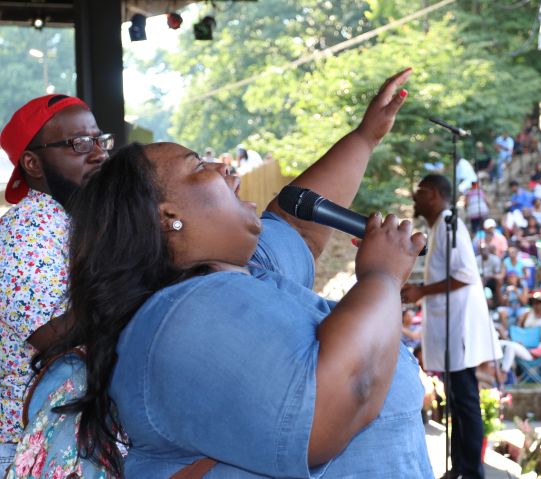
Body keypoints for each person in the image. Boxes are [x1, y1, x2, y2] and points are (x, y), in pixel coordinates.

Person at [36, 69, 435, 477]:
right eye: (198, 166)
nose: (223, 167)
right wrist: (382, 277)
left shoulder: (243, 273)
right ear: (167, 217)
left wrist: (365, 137)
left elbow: (299, 226)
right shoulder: (184, 316)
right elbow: (343, 395)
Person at [0, 94, 111, 465]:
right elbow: (56, 339)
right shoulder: (24, 235)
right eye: (79, 143)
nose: (98, 154)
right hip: (28, 452)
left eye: (100, 140)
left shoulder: (74, 221)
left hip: (68, 440)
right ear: (32, 163)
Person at [402, 173, 502, 479]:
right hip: (451, 327)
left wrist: (421, 292)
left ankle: (471, 471)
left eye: (419, 191)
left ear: (433, 193)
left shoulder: (449, 225)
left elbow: (464, 275)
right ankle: (460, 467)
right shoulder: (440, 227)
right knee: (457, 401)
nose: (414, 198)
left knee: (465, 401)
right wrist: (420, 289)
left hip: (458, 328)